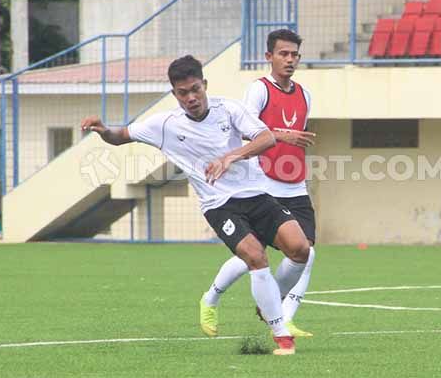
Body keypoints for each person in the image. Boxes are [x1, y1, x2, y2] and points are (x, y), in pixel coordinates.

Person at [80, 55, 310, 355]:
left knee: (301, 249)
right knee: (255, 255)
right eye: (182, 93)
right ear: (174, 94)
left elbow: (266, 138)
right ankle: (281, 335)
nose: (191, 98)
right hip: (219, 204)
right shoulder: (164, 124)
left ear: (205, 85)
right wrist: (103, 129)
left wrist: (232, 156)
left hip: (256, 194)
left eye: (195, 89)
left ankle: (268, 303)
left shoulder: (229, 109)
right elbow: (121, 136)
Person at [200, 29, 318, 338]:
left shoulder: (305, 94)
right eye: (283, 54)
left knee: (306, 253)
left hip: (296, 185)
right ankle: (211, 298)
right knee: (250, 258)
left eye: (294, 55)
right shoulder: (259, 90)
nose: (289, 59)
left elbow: (297, 139)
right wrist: (281, 134)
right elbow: (248, 130)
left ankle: (280, 315)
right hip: (264, 184)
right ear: (270, 57)